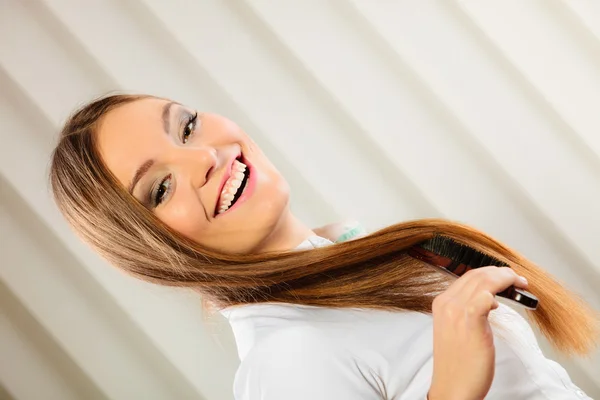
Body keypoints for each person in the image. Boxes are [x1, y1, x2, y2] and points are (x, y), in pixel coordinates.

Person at [49, 94, 598, 399]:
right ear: (152, 252)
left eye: (186, 126)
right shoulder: (287, 365)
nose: (203, 158)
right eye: (159, 189)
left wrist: (337, 251)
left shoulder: (356, 262)